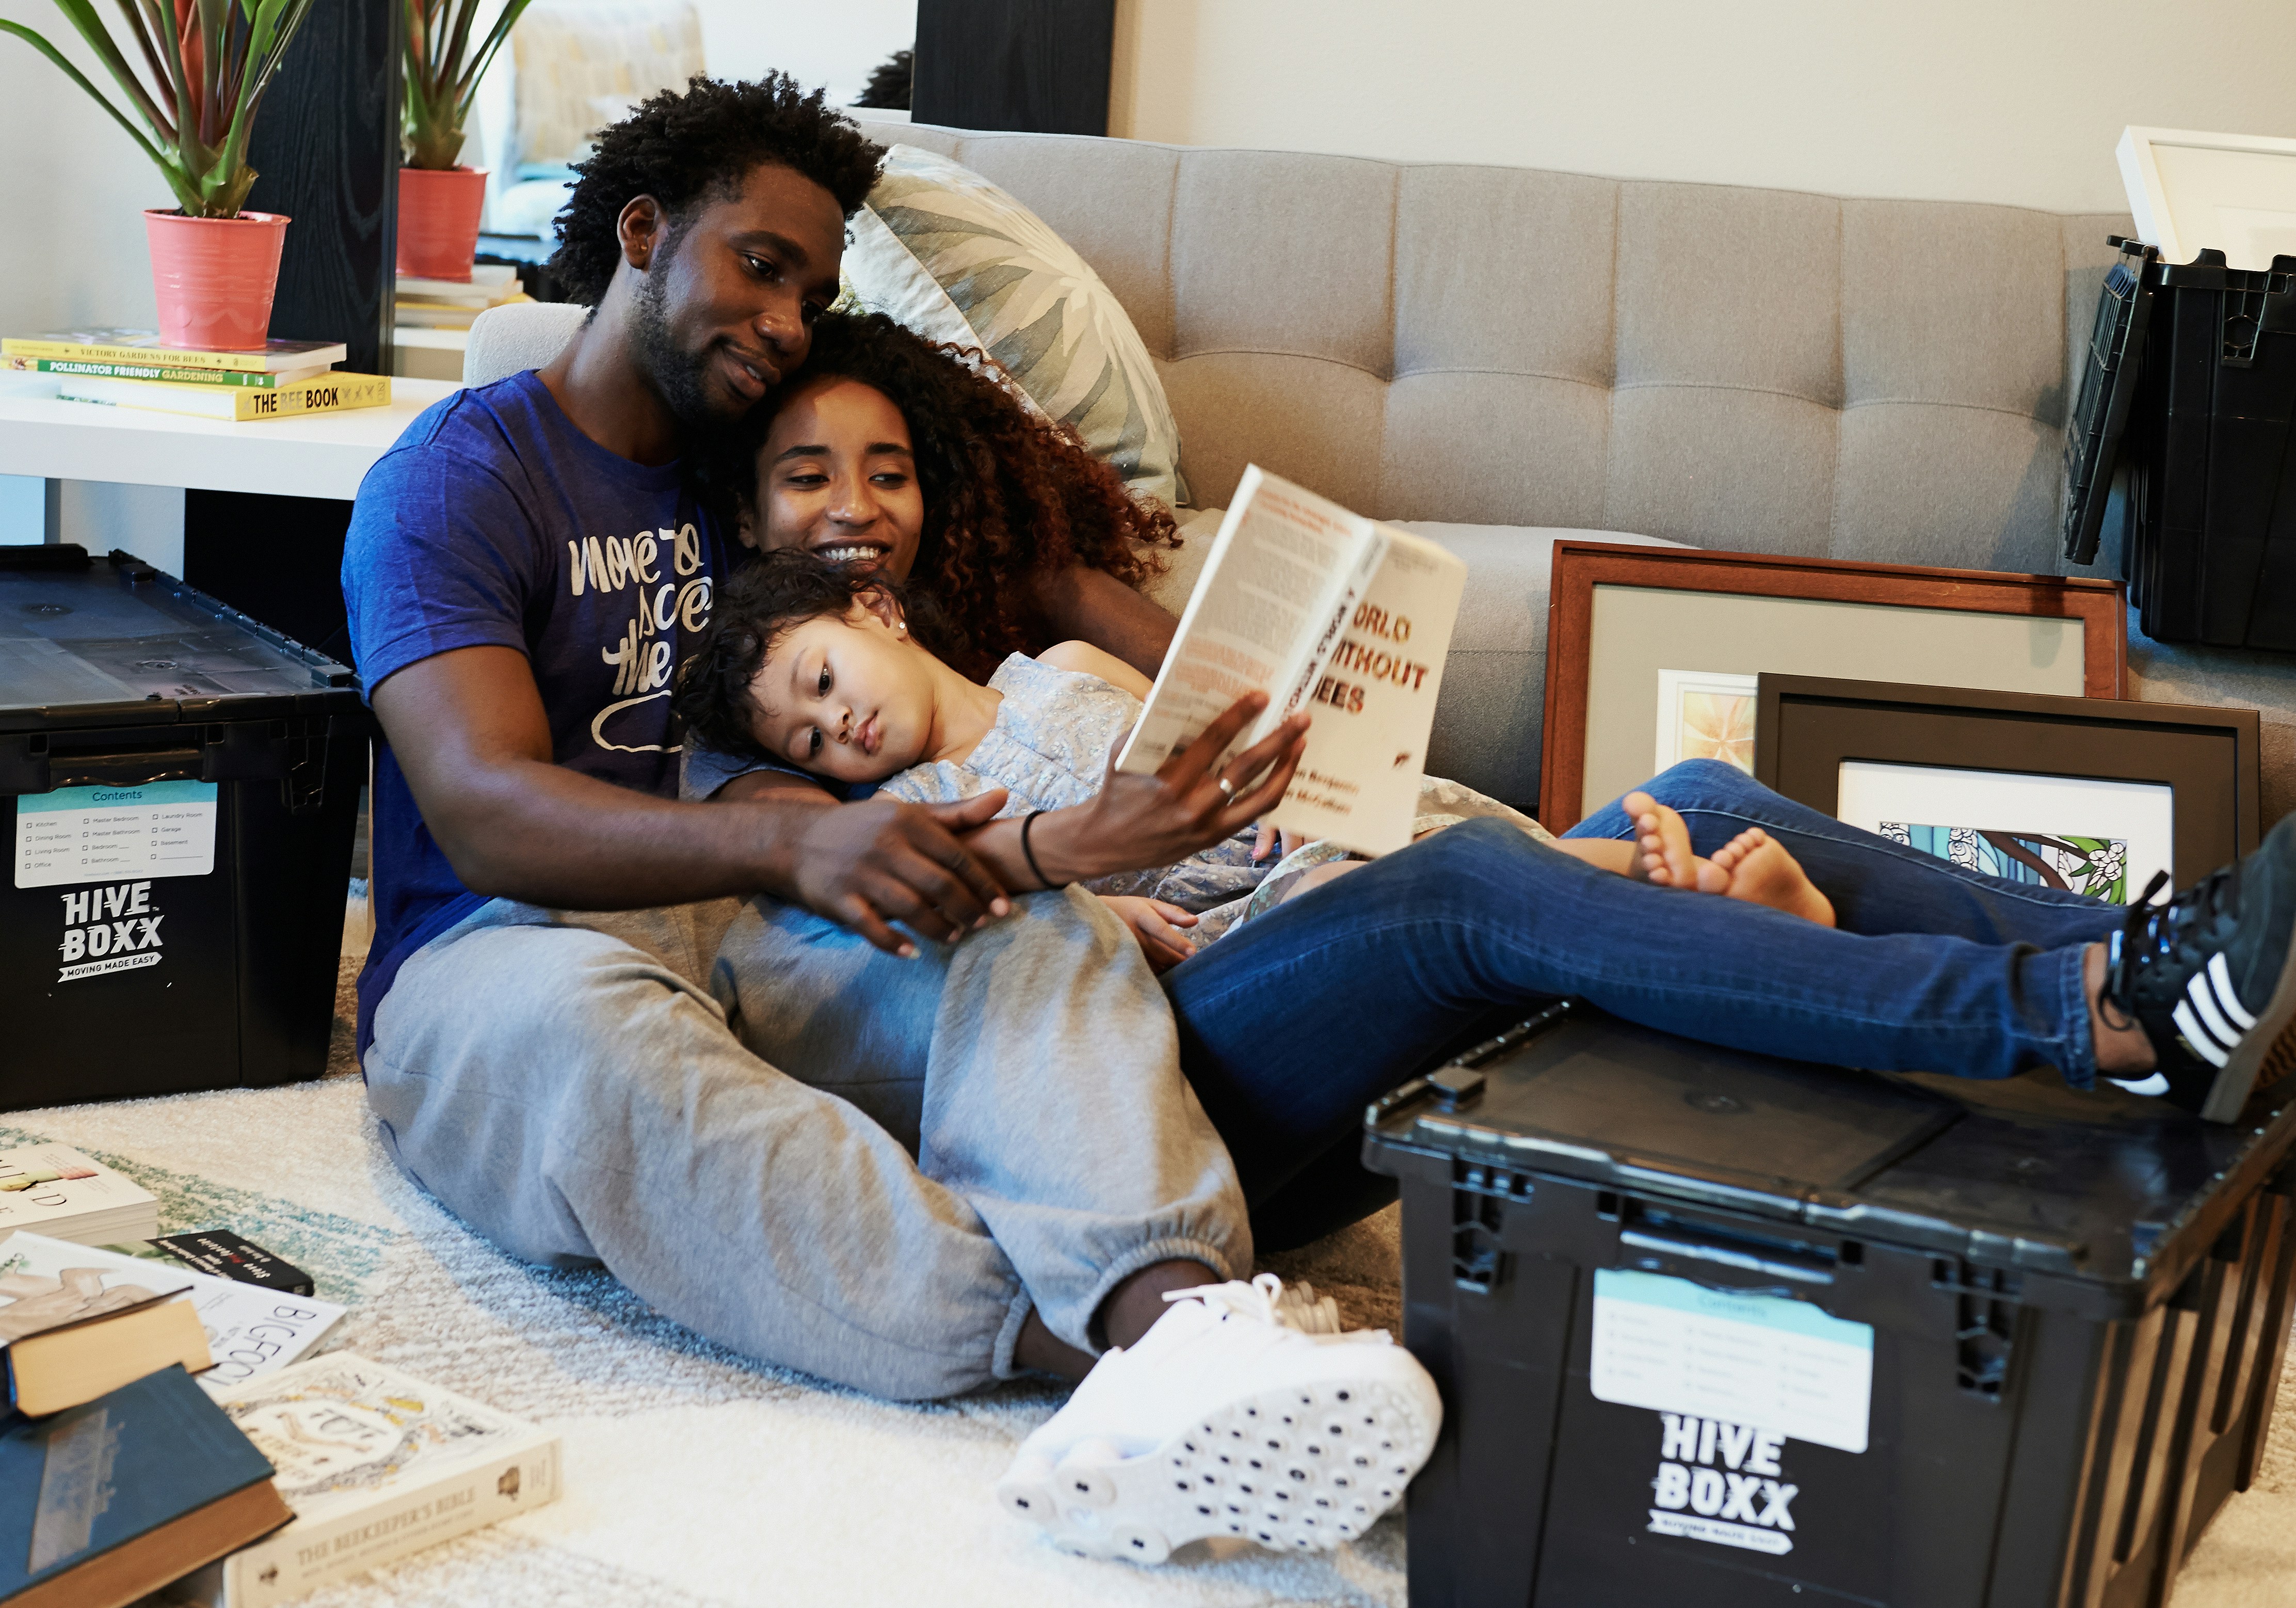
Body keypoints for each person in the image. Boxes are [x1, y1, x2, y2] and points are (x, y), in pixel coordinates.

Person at [344, 75, 2296, 1571]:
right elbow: (501, 810)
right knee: (710, 1011)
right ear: (637, 235)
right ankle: (1138, 1343)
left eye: (814, 299)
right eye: (756, 270)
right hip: (638, 953)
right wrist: (936, 849)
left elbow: (1053, 600)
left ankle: (2149, 978)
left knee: (1674, 802)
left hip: (1040, 970)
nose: (787, 337)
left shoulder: (798, 499)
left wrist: (1222, 700)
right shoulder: (477, 484)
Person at [671, 546, 1834, 965]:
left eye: (821, 682)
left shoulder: (1063, 663)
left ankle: (1682, 886)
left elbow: (1200, 731)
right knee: (1352, 894)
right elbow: (991, 904)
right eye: (808, 741)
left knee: (1423, 830)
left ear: (875, 611)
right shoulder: (913, 803)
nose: (838, 727)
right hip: (1215, 913)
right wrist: (1095, 917)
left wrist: (1287, 776)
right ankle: (1687, 894)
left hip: (1282, 826)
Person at [720, 308, 1183, 680]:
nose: (856, 510)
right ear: (746, 515)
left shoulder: (1014, 592)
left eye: (888, 477)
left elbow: (1206, 689)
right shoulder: (737, 680)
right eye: (808, 478)